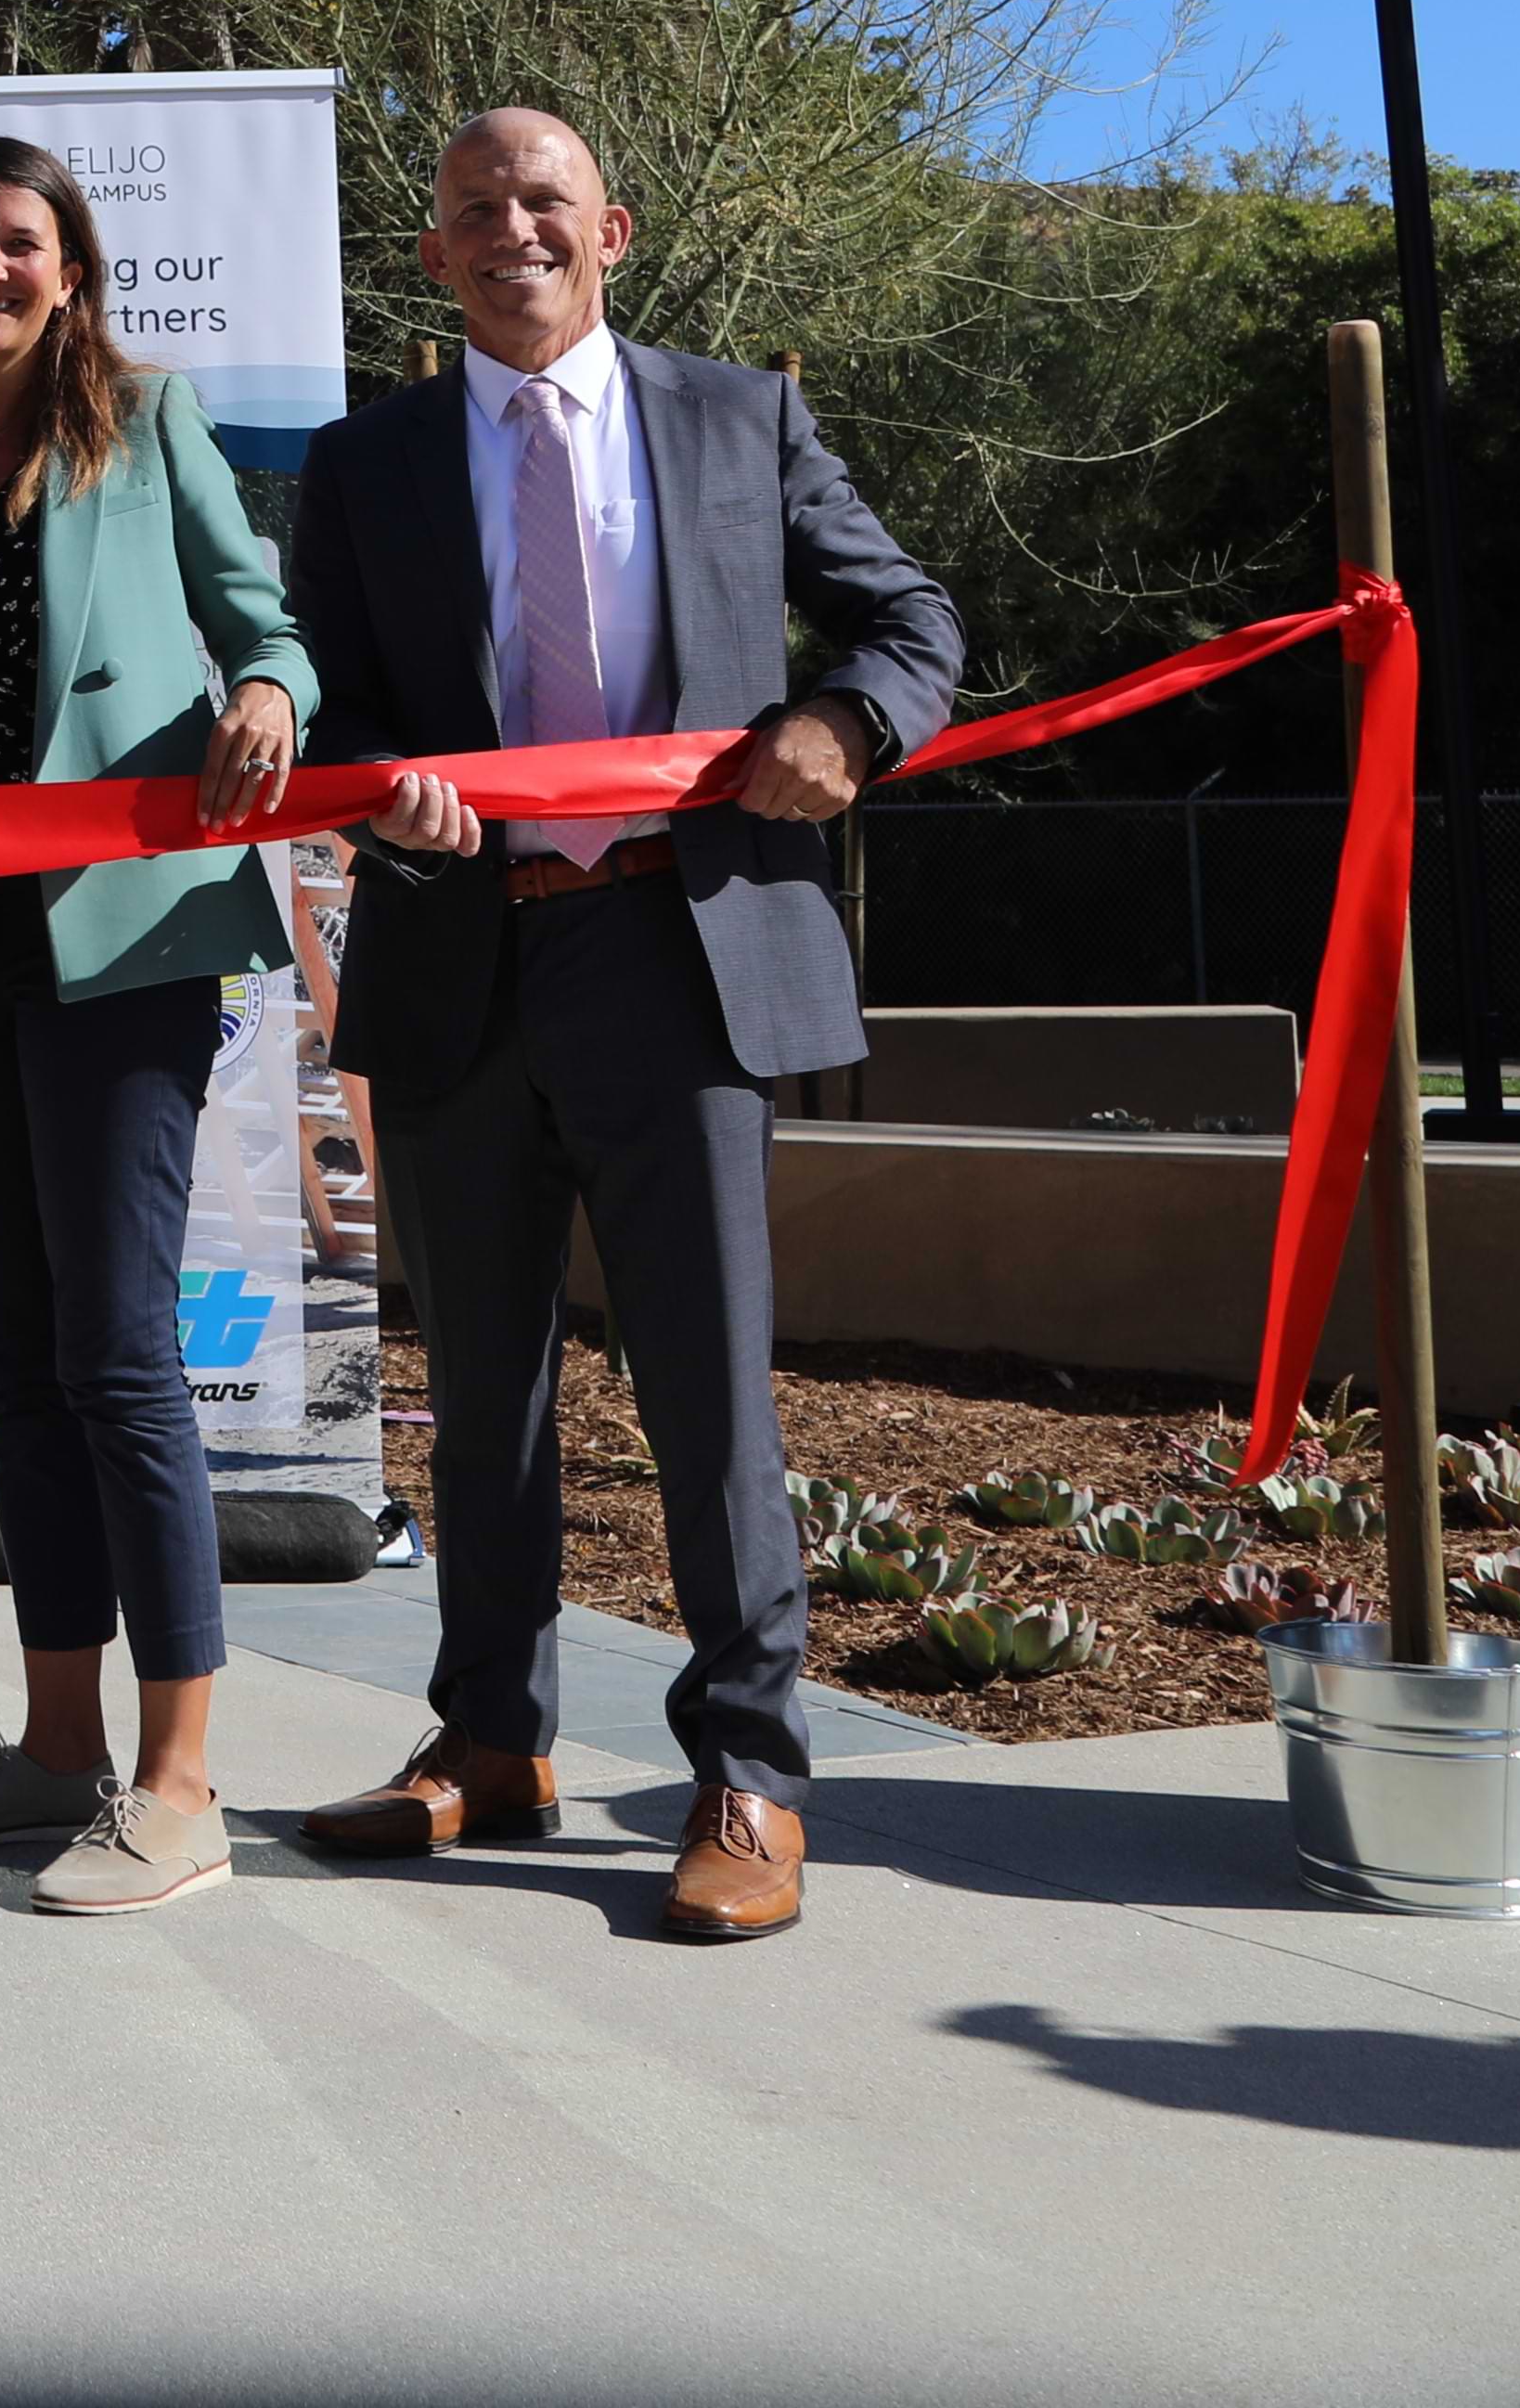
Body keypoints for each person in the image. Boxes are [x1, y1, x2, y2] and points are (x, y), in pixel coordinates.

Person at [289, 106, 962, 1943]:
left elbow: (911, 617)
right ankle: (492, 1739)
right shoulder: (364, 464)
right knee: (481, 1395)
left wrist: (847, 726)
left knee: (707, 1385)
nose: (511, 227)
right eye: (474, 208)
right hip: (460, 956)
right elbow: (339, 695)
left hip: (682, 952)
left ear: (614, 229)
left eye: (544, 201)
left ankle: (748, 1770)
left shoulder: (739, 419)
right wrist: (373, 785)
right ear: (430, 251)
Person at [0, 137, 317, 1919]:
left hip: (134, 946)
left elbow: (271, 629)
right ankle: (53, 1749)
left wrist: (259, 692)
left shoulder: (147, 421)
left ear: (72, 270)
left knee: (114, 1353)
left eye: (19, 243)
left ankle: (182, 1781)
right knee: (15, 1358)